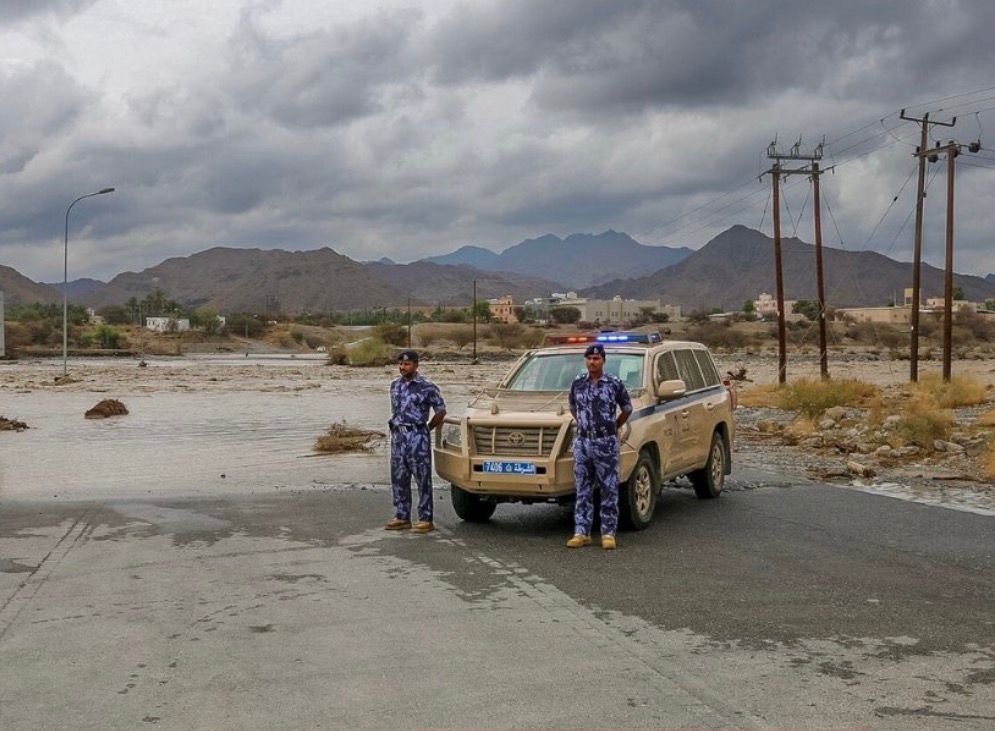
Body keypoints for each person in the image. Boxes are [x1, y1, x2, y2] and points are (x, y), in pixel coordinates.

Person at [567, 343, 632, 550]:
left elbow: (627, 408)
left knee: (608, 488)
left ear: (603, 360)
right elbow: (572, 407)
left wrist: (614, 426)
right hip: (584, 442)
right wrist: (586, 426)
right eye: (589, 358)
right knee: (583, 488)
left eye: (596, 359)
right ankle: (581, 532)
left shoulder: (613, 383)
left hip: (606, 442)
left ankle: (608, 532)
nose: (592, 362)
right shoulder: (578, 383)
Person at [384, 350, 447, 533]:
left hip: (417, 436)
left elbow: (441, 411)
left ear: (416, 365)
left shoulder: (427, 387)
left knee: (422, 478)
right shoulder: (395, 385)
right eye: (401, 364)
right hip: (398, 437)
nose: (403, 367)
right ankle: (402, 516)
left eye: (407, 364)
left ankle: (425, 519)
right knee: (399, 478)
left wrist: (427, 428)